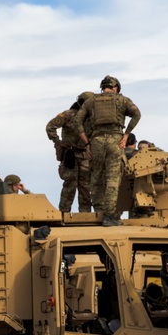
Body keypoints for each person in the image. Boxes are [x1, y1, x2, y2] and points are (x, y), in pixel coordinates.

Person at [72, 75, 141, 226]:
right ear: (115, 88)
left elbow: (77, 121)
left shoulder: (91, 101)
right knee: (112, 179)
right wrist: (127, 134)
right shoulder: (122, 100)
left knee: (96, 178)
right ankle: (109, 216)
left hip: (96, 141)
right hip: (115, 142)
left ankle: (98, 213)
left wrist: (86, 143)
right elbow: (137, 114)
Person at [46, 91, 94, 212]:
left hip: (84, 155)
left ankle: (85, 215)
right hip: (70, 155)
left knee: (85, 187)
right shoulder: (68, 115)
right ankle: (64, 213)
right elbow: (50, 127)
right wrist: (58, 142)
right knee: (69, 185)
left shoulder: (91, 118)